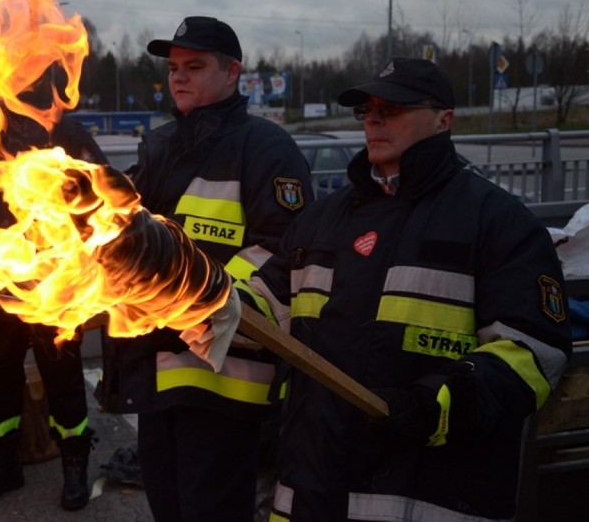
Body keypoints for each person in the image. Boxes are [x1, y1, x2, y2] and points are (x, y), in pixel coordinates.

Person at [234, 57, 574, 520]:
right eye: (367, 110)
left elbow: (534, 352)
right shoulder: (321, 220)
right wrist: (203, 299)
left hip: (428, 492)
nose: (373, 119)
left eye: (390, 108)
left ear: (443, 120)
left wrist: (434, 407)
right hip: (310, 492)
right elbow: (266, 305)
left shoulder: (498, 221)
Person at [95, 16, 314, 521]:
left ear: (232, 71)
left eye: (194, 66)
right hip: (153, 361)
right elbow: (126, 237)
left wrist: (197, 299)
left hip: (221, 373)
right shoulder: (161, 145)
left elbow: (284, 250)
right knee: (169, 505)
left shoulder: (266, 148)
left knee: (211, 509)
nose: (178, 77)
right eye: (173, 68)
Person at [0, 93, 106, 510]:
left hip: (54, 281)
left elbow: (104, 196)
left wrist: (78, 257)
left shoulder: (63, 134)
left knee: (61, 374)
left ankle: (75, 461)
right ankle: (3, 462)